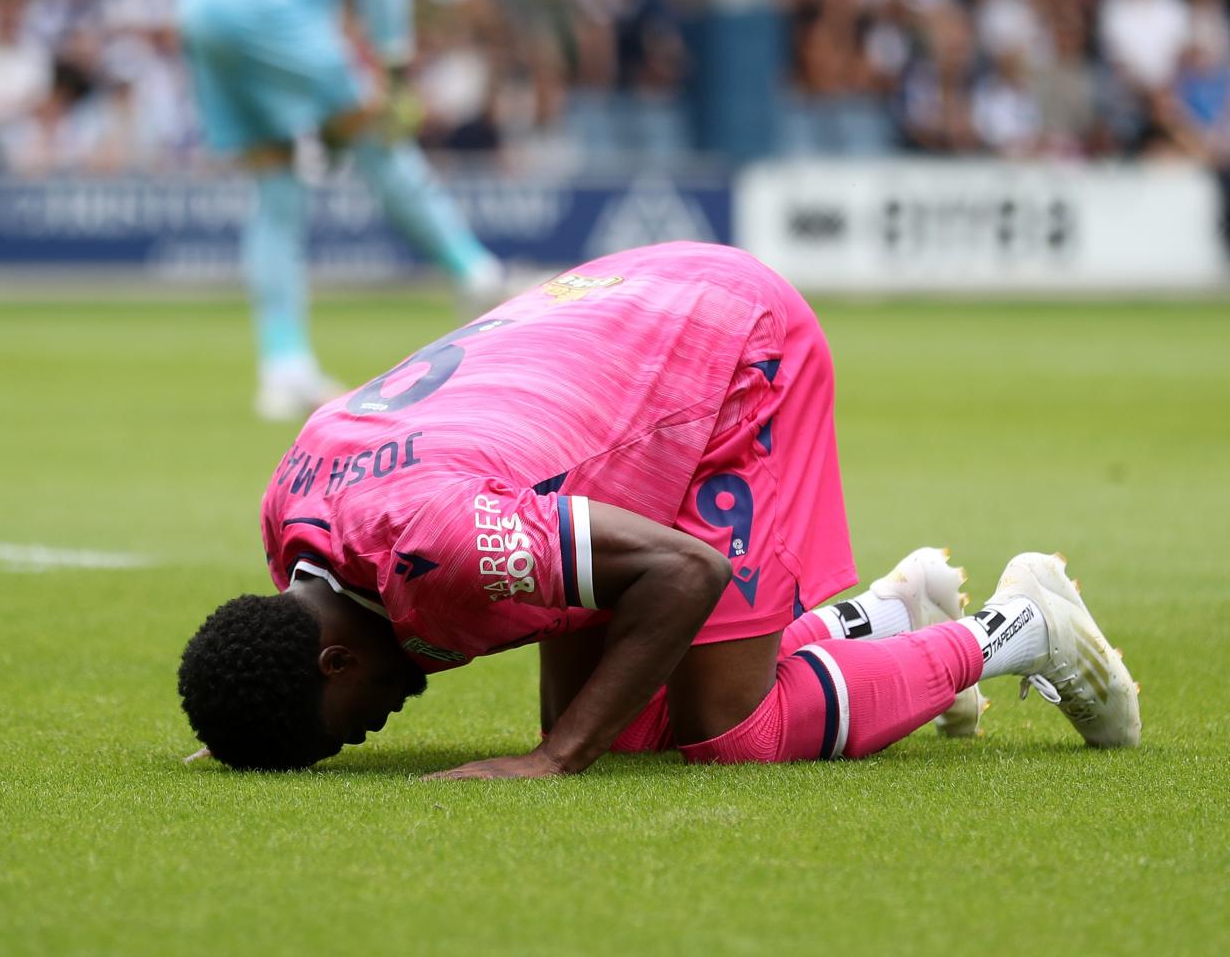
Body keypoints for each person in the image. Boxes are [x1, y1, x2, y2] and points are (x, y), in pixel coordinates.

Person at [177, 241, 1141, 778]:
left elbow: (686, 574)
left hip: (725, 350)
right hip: (619, 339)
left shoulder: (444, 546)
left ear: (333, 658)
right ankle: (888, 614)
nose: (373, 730)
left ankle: (1020, 626)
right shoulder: (292, 519)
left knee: (731, 733)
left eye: (347, 727)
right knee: (632, 722)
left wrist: (555, 759)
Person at [178, 0, 505, 420]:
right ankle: (477, 275)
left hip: (201, 16)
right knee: (378, 139)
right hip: (268, 13)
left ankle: (284, 366)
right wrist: (392, 66)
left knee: (276, 191)